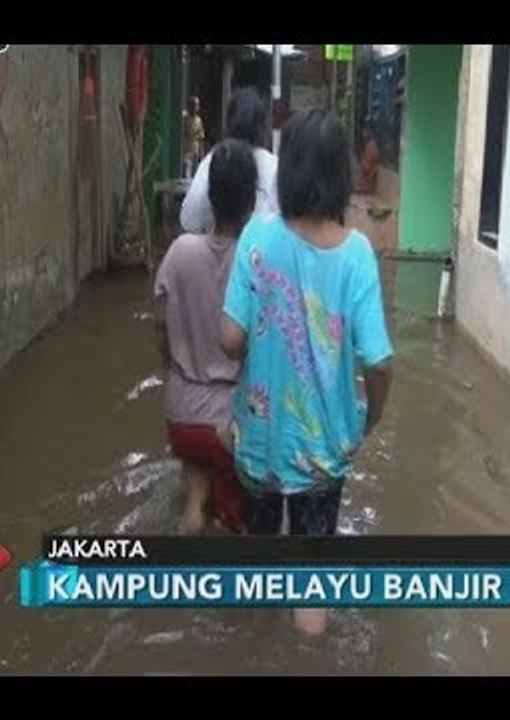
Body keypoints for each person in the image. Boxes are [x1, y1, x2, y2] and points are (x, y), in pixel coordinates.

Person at [220, 109, 394, 636]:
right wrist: (372, 417)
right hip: (324, 448)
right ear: (341, 174)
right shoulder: (358, 254)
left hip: (261, 443)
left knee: (261, 560)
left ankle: (253, 644)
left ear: (288, 172)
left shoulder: (257, 238)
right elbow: (380, 361)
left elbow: (229, 342)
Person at [154, 139, 259, 535]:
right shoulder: (254, 262)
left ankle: (193, 509)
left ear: (210, 198)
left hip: (179, 417)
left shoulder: (179, 251)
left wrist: (176, 368)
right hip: (228, 427)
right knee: (238, 521)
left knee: (196, 462)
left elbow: (160, 326)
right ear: (251, 202)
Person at [180, 87, 279, 234]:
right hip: (264, 254)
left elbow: (189, 220)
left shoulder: (214, 159)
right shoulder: (274, 167)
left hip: (218, 251)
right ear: (262, 126)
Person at [183, 96, 205, 178]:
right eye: (195, 105)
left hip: (195, 150)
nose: (197, 108)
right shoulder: (185, 118)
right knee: (187, 172)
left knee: (195, 174)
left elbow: (201, 137)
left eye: (197, 105)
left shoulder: (198, 120)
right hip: (186, 150)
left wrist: (201, 153)